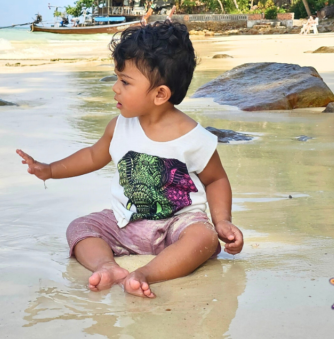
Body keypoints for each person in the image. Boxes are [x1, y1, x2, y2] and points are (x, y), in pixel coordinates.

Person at [16, 22, 244, 298]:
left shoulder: (193, 137)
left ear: (160, 94)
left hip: (178, 225)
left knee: (204, 238)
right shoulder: (119, 127)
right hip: (125, 223)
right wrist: (50, 170)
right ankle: (107, 266)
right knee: (80, 228)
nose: (115, 88)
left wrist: (222, 221)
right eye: (116, 78)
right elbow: (91, 155)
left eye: (125, 82)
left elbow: (216, 179)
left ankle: (147, 273)